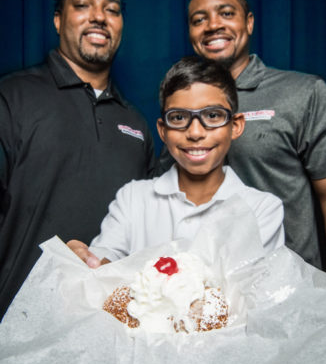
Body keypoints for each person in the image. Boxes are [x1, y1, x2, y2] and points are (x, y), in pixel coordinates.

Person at [184, 0, 326, 364]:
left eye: (226, 13)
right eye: (199, 18)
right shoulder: (183, 101)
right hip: (211, 320)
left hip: (290, 314)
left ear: (248, 22)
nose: (213, 25)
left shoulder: (302, 93)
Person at [0, 0, 155, 320]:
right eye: (83, 5)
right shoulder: (11, 97)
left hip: (109, 334)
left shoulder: (137, 125)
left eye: (112, 10)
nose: (99, 17)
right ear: (58, 20)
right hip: (15, 327)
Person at [67, 56, 284, 267]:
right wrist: (87, 261)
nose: (195, 132)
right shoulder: (133, 198)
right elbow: (106, 260)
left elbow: (251, 293)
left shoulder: (262, 209)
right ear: (163, 130)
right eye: (179, 118)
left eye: (213, 116)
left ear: (235, 126)